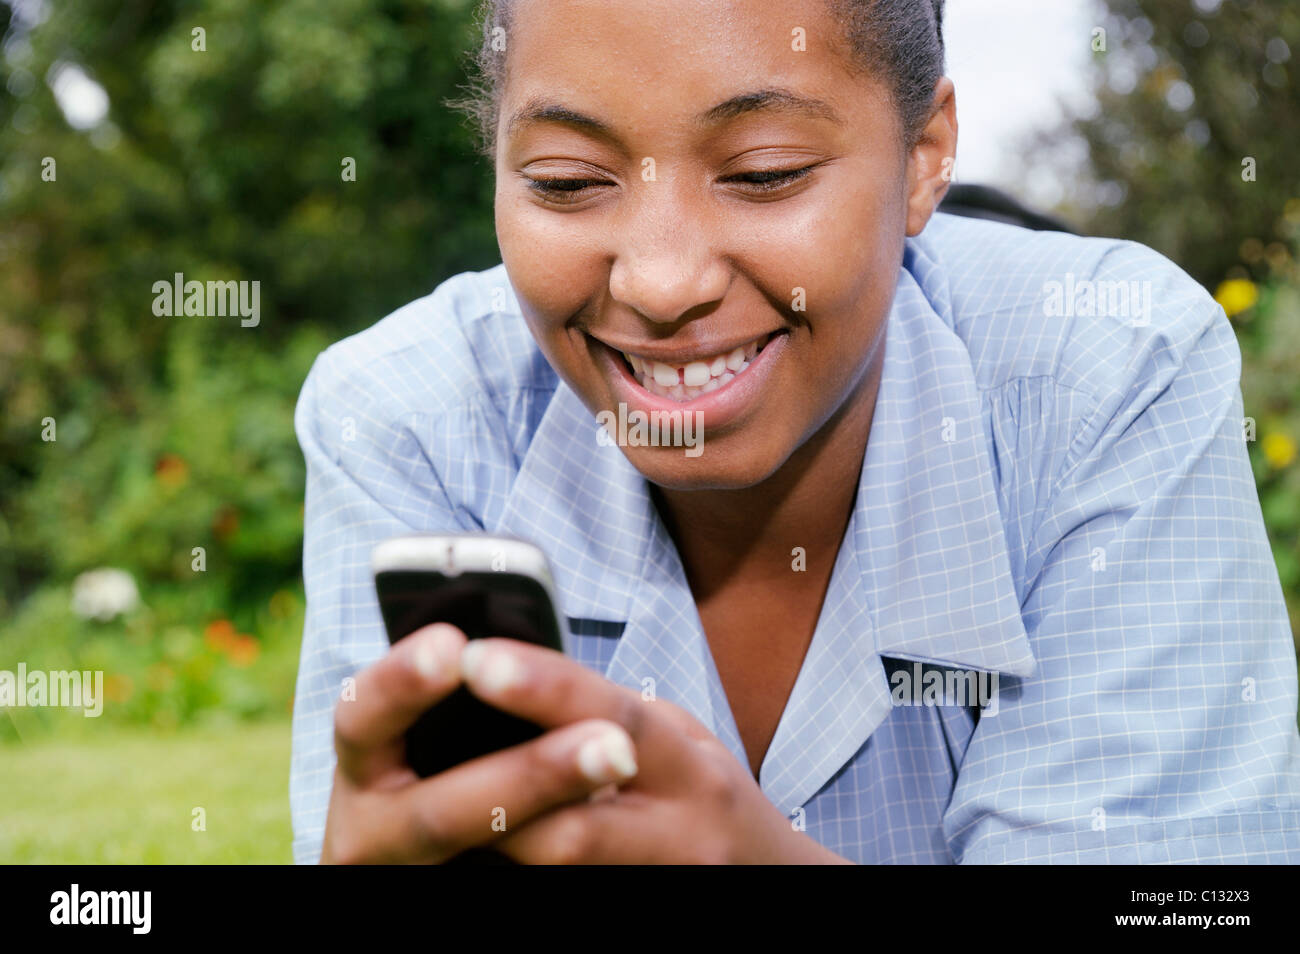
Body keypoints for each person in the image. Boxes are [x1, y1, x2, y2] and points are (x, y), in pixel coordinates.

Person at [289, 0, 1300, 863]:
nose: (661, 282)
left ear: (924, 157)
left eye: (764, 172)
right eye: (565, 180)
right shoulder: (412, 415)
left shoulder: (1110, 370)